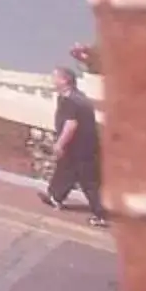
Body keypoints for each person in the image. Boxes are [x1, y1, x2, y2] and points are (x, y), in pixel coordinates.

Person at [48, 64, 107, 222]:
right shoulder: (76, 97)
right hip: (79, 147)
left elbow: (71, 124)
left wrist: (60, 144)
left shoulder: (71, 101)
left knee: (89, 182)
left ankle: (100, 215)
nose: (52, 80)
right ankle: (56, 196)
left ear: (65, 80)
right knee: (66, 171)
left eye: (55, 77)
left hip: (82, 148)